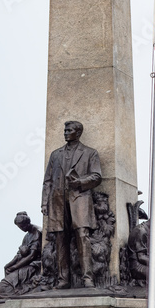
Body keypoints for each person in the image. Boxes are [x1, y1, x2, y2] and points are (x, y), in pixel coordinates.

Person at [41, 121, 102, 289]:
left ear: (78, 133)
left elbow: (97, 176)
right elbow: (47, 181)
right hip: (58, 201)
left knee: (82, 236)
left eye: (69, 130)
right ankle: (63, 279)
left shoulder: (90, 153)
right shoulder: (55, 154)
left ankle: (87, 277)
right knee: (60, 239)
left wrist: (79, 182)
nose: (66, 133)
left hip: (79, 199)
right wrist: (44, 203)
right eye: (65, 130)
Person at [0, 211, 42, 298]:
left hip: (35, 266)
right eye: (19, 227)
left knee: (2, 287)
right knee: (5, 274)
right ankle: (16, 290)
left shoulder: (37, 232)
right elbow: (19, 254)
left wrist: (15, 267)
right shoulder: (27, 236)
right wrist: (9, 265)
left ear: (27, 223)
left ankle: (17, 291)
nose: (21, 229)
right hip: (25, 264)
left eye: (22, 226)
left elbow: (31, 256)